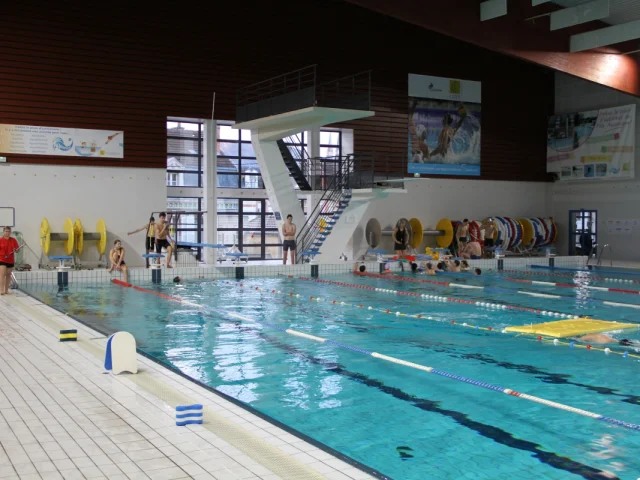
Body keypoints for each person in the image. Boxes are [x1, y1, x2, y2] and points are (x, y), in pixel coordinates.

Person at [0, 226, 20, 295]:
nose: (7, 233)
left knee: (8, 275)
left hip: (10, 260)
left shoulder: (13, 240)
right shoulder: (0, 240)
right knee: (2, 274)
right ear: (3, 232)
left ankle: (6, 290)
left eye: (9, 231)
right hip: (2, 259)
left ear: (10, 232)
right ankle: (1, 290)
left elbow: (18, 250)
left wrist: (16, 250)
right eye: (6, 231)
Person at [409, 99, 430, 163]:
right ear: (423, 134)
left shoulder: (414, 141)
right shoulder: (426, 147)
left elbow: (410, 118)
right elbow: (429, 160)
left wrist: (414, 105)